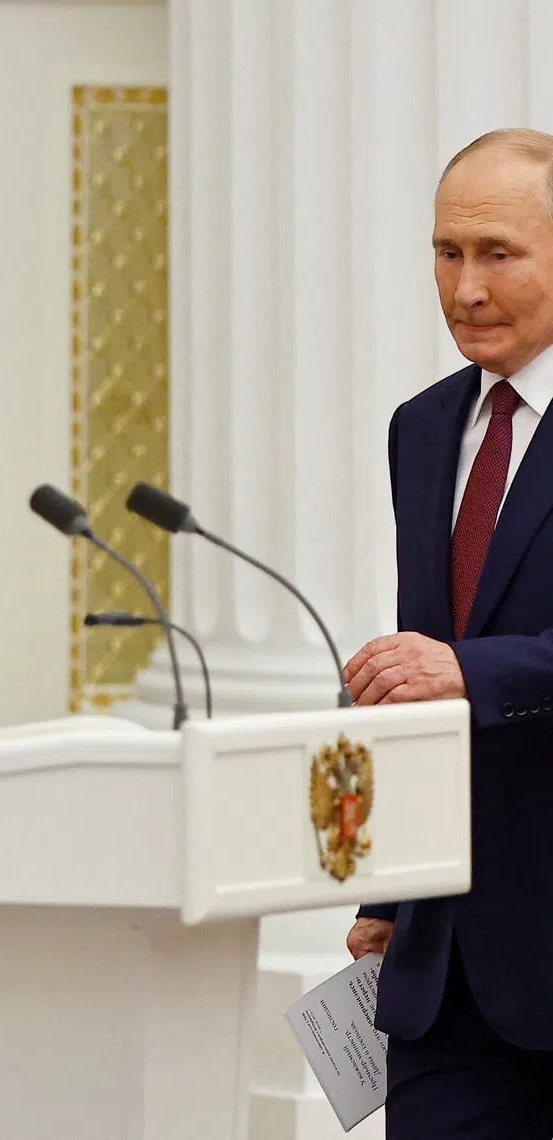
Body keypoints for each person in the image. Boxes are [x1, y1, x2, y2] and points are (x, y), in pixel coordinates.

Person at [345, 128, 553, 1137]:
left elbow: (450, 666)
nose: (466, 288)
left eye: (498, 255)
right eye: (447, 252)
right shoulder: (420, 428)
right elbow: (418, 672)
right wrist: (386, 891)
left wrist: (469, 671)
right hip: (440, 970)